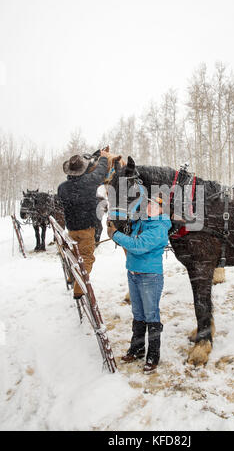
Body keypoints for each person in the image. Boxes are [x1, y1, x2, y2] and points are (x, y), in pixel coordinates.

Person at [107, 194, 172, 373]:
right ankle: (137, 349)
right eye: (149, 204)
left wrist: (115, 235)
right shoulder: (142, 222)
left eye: (154, 206)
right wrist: (140, 197)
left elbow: (138, 246)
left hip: (150, 276)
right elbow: (132, 211)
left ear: (162, 210)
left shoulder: (159, 228)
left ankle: (153, 355)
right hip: (133, 274)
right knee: (138, 314)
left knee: (151, 315)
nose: (149, 207)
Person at [58, 150, 109, 299]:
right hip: (87, 228)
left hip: (71, 229)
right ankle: (79, 289)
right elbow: (100, 172)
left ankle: (71, 277)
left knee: (75, 255)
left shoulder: (62, 187)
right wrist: (104, 158)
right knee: (87, 257)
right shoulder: (89, 182)